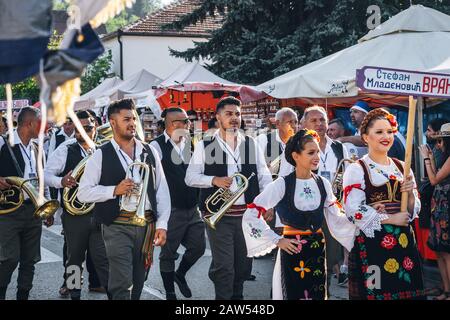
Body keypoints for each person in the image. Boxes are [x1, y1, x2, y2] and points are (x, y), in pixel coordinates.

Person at [242, 129, 355, 299]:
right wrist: (277, 240)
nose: (317, 156)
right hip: (291, 248)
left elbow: (336, 216)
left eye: (317, 151)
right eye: (311, 152)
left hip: (317, 248)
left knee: (316, 293)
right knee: (292, 293)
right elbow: (252, 213)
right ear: (296, 156)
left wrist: (360, 225)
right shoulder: (282, 184)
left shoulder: (322, 183)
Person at [78, 99, 171, 300]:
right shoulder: (100, 155)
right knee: (122, 283)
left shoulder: (150, 150)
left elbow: (161, 190)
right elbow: (83, 192)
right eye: (126, 119)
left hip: (146, 225)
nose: (132, 123)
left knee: (139, 281)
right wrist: (114, 190)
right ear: (113, 122)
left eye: (134, 119)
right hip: (116, 225)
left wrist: (162, 224)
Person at [185, 96, 272, 300]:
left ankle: (235, 295)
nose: (234, 118)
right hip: (219, 216)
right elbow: (190, 178)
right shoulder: (204, 145)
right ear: (218, 117)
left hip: (247, 215)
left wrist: (268, 204)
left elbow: (264, 175)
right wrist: (214, 180)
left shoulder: (251, 143)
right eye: (229, 114)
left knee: (243, 266)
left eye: (237, 114)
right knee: (225, 267)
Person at [343, 108, 424, 300]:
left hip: (404, 245)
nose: (386, 136)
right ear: (365, 137)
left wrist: (410, 196)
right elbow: (353, 210)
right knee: (376, 290)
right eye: (379, 132)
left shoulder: (402, 167)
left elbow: (412, 210)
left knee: (405, 291)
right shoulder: (357, 169)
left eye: (389, 131)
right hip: (372, 246)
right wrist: (390, 218)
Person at [44, 110, 109, 300]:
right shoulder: (66, 148)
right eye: (79, 129)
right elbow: (47, 175)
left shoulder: (102, 149)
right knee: (74, 258)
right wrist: (61, 182)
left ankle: (112, 292)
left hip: (98, 212)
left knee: (103, 257)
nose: (84, 133)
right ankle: (74, 292)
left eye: (88, 128)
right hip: (75, 215)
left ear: (95, 127)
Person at [150, 107, 206, 300]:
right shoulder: (156, 147)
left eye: (188, 121)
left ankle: (180, 275)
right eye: (182, 121)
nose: (186, 125)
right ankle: (170, 293)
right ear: (170, 124)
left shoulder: (193, 144)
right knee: (168, 254)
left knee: (198, 247)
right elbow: (151, 180)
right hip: (170, 210)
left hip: (192, 207)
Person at [0, 107, 52, 300]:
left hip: (33, 210)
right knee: (9, 259)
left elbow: (42, 179)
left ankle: (23, 295)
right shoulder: (2, 142)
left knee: (30, 260)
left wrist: (46, 207)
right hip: (8, 212)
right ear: (30, 123)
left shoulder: (38, 147)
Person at [299, 106, 350, 287]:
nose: (319, 124)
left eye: (322, 120)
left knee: (330, 259)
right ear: (304, 124)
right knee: (308, 260)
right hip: (307, 211)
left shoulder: (338, 147)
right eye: (314, 120)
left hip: (331, 211)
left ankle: (324, 291)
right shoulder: (297, 146)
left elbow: (347, 176)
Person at [419, 123, 450, 300]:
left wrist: (426, 159)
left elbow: (433, 179)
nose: (438, 144)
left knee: (446, 251)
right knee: (439, 250)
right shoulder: (444, 156)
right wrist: (430, 158)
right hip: (439, 206)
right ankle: (446, 290)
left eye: (441, 140)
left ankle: (449, 291)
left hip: (446, 207)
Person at [339, 101, 405, 160]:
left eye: (355, 112)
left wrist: (341, 140)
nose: (351, 115)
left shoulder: (392, 135)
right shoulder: (359, 132)